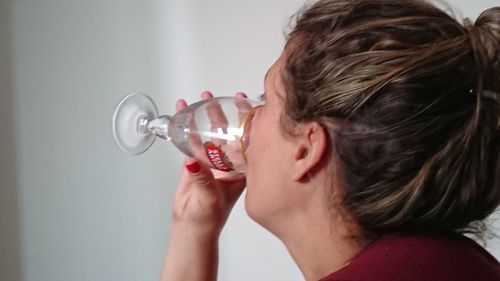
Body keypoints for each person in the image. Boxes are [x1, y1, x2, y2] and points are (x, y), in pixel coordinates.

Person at [160, 0, 500, 280]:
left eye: (266, 100)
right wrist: (195, 227)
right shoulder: (460, 263)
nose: (247, 115)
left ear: (306, 149)